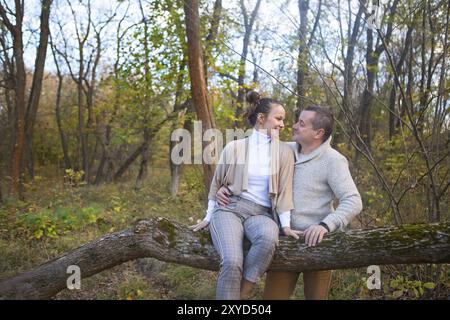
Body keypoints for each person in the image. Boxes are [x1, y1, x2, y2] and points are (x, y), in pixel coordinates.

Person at [216, 105, 363, 300]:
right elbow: (252, 160)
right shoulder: (285, 150)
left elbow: (353, 200)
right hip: (283, 241)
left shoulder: (333, 161)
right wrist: (225, 186)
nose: (293, 126)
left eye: (301, 124)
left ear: (318, 133)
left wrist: (325, 226)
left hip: (317, 243)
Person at [190, 91, 300, 300]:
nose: (283, 124)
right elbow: (217, 184)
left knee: (268, 239)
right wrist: (207, 217)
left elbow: (285, 191)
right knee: (232, 261)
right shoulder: (235, 147)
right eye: (278, 118)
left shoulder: (284, 152)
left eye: (283, 119)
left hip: (262, 214)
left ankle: (245, 289)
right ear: (261, 119)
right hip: (230, 208)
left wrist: (285, 225)